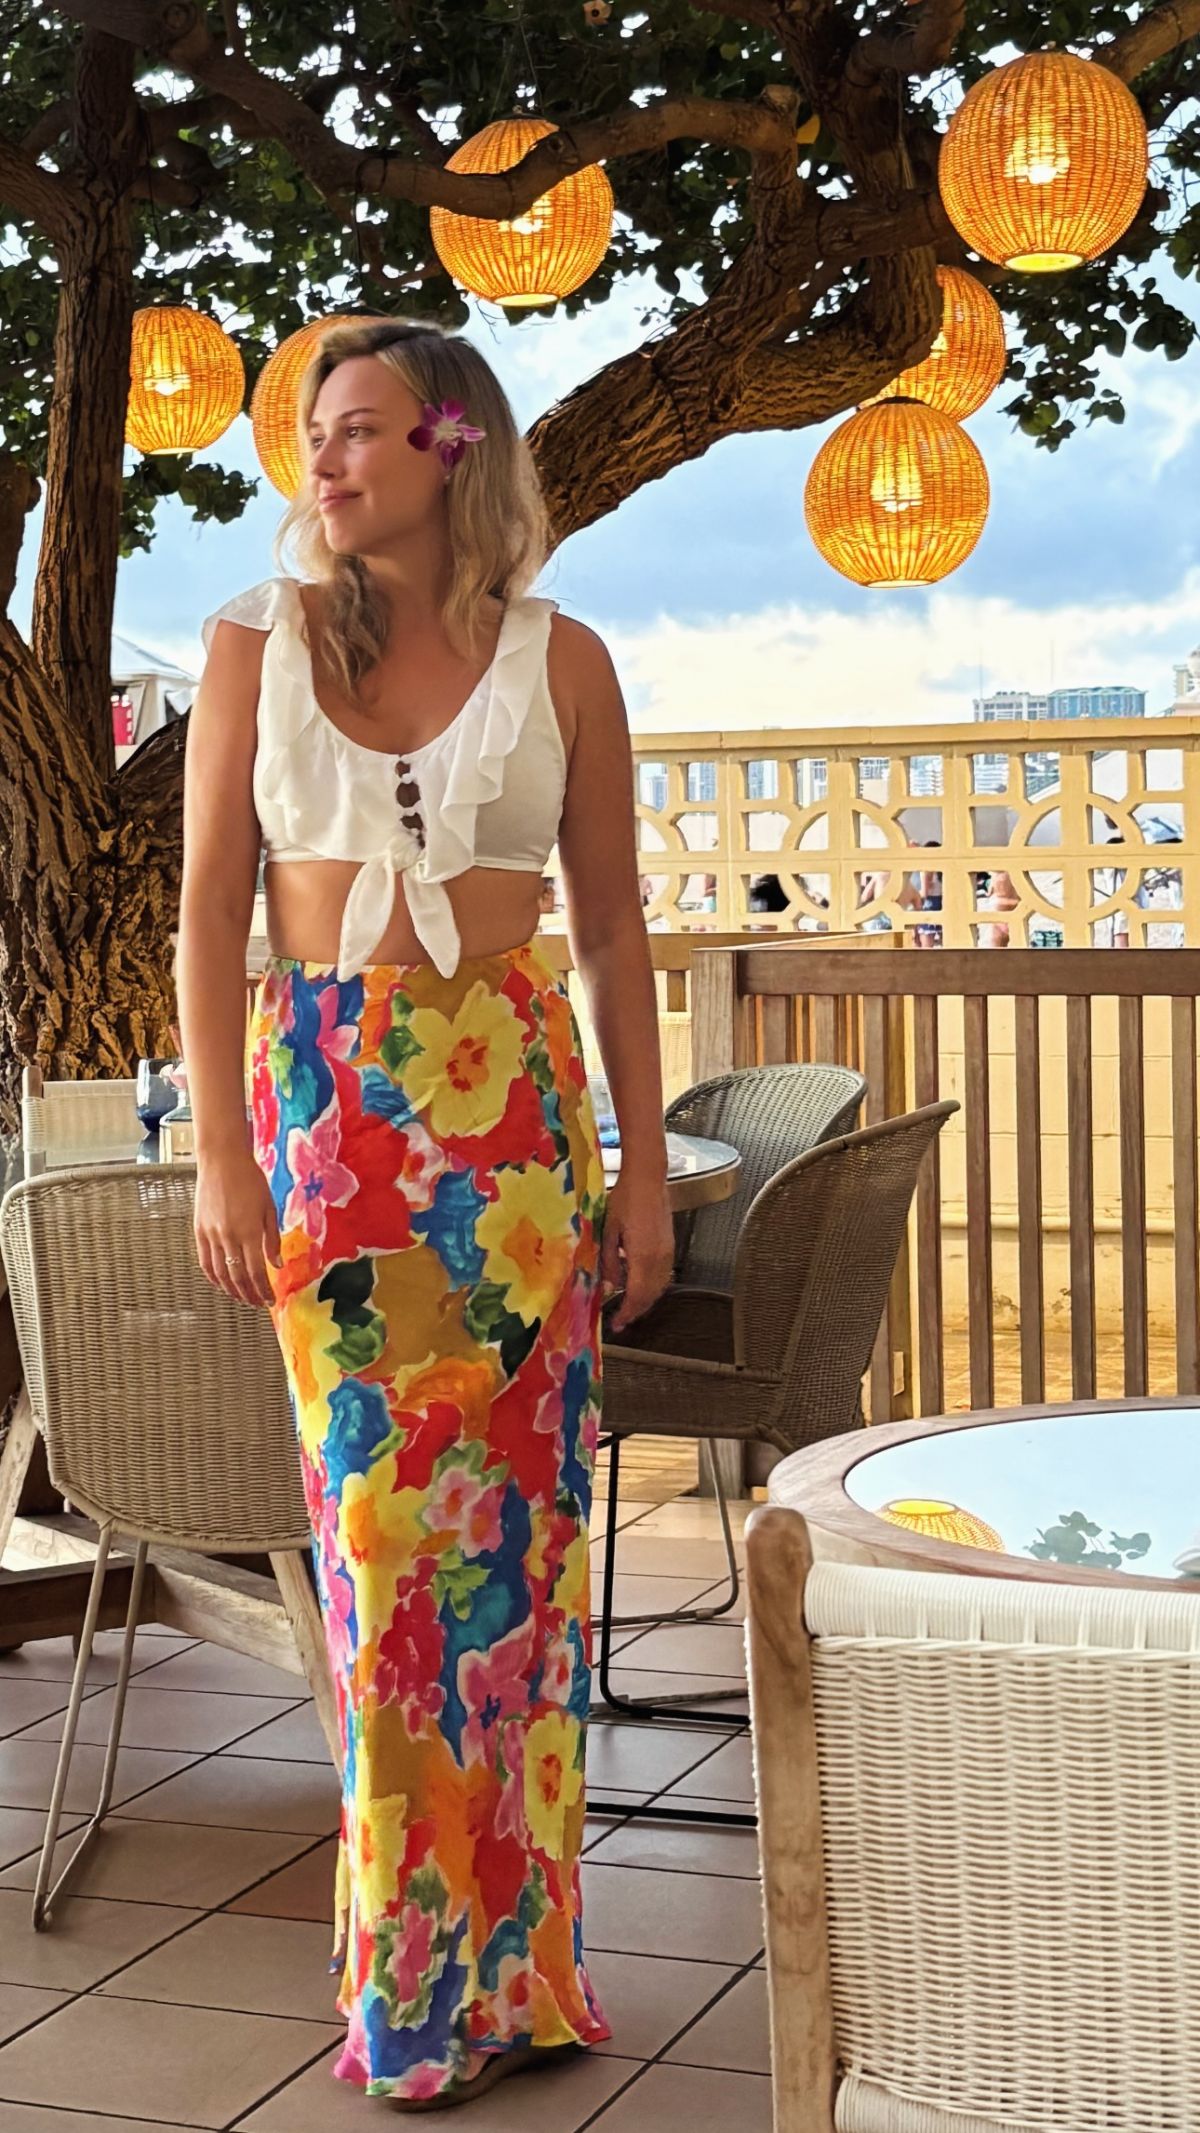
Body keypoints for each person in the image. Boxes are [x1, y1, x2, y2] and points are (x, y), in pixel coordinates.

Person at [176, 318, 675, 2112]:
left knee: (518, 1575)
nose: (324, 461)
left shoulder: (567, 659)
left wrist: (642, 1170)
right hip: (334, 1126)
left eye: (362, 430)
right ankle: (408, 1991)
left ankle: (523, 1976)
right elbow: (211, 909)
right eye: (316, 433)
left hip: (520, 1135)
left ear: (455, 448)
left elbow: (608, 927)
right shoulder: (255, 642)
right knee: (386, 1562)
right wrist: (222, 1154)